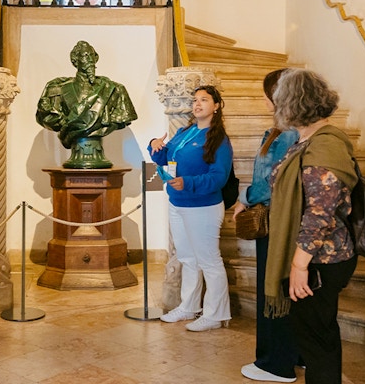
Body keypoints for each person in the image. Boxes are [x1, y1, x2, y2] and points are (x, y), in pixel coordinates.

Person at [265, 68, 358, 384]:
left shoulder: (324, 145)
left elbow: (320, 212)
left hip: (319, 260)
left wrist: (299, 264)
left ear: (292, 103)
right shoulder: (310, 139)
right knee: (312, 336)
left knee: (317, 341)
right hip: (314, 257)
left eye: (279, 99)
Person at [232, 70, 299, 382]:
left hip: (276, 221)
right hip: (282, 218)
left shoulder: (286, 134)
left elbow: (271, 182)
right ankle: (295, 354)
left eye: (264, 92)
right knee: (285, 288)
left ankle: (275, 363)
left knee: (272, 289)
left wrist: (246, 197)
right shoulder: (282, 131)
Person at [149, 85, 233, 332]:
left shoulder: (218, 140)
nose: (197, 104)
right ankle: (189, 307)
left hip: (203, 206)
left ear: (216, 106)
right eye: (195, 100)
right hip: (178, 202)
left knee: (209, 261)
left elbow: (219, 177)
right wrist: (155, 146)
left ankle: (216, 314)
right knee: (187, 258)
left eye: (204, 100)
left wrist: (189, 182)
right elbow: (166, 159)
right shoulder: (186, 132)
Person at [36, 40, 137, 168]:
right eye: (85, 56)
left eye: (92, 56)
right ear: (75, 60)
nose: (90, 60)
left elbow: (122, 117)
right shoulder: (58, 89)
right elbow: (47, 117)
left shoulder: (114, 90)